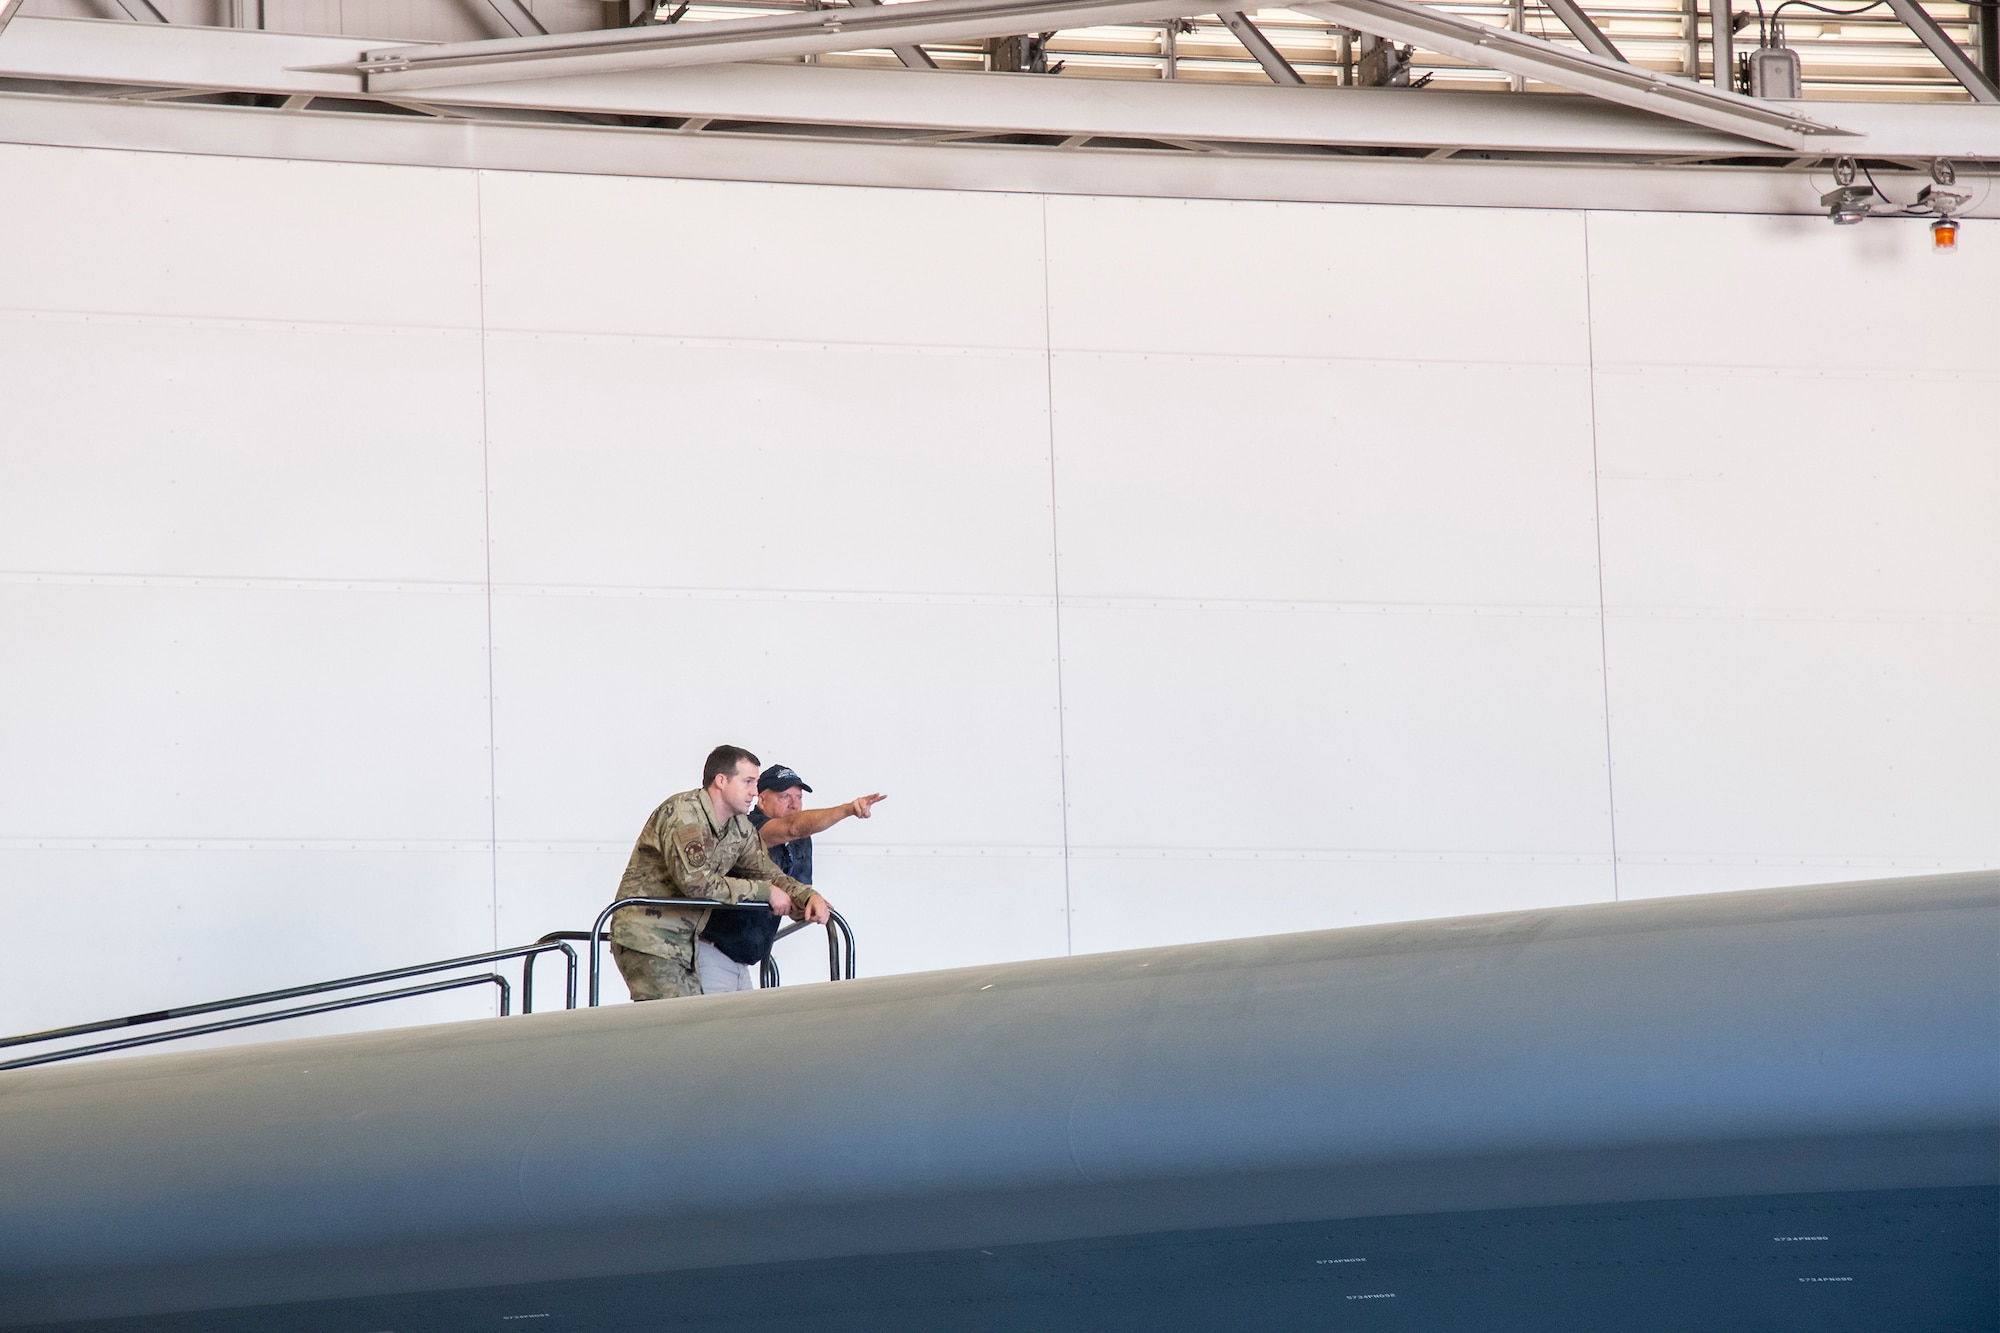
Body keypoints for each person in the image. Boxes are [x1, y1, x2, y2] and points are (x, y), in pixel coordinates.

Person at [609, 745, 830, 1002]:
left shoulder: (739, 826)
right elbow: (696, 883)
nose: (754, 791)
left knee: (695, 1031)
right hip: (648, 939)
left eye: (756, 783)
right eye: (748, 782)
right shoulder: (684, 814)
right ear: (721, 781)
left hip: (683, 946)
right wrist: (765, 892)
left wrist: (809, 897)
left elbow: (766, 873)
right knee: (676, 1030)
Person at [695, 765, 886, 993]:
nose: (794, 804)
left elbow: (798, 901)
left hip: (744, 962)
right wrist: (848, 809)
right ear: (762, 800)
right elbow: (792, 828)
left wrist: (812, 904)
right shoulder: (747, 827)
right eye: (785, 796)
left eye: (799, 797)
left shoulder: (802, 841)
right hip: (711, 953)